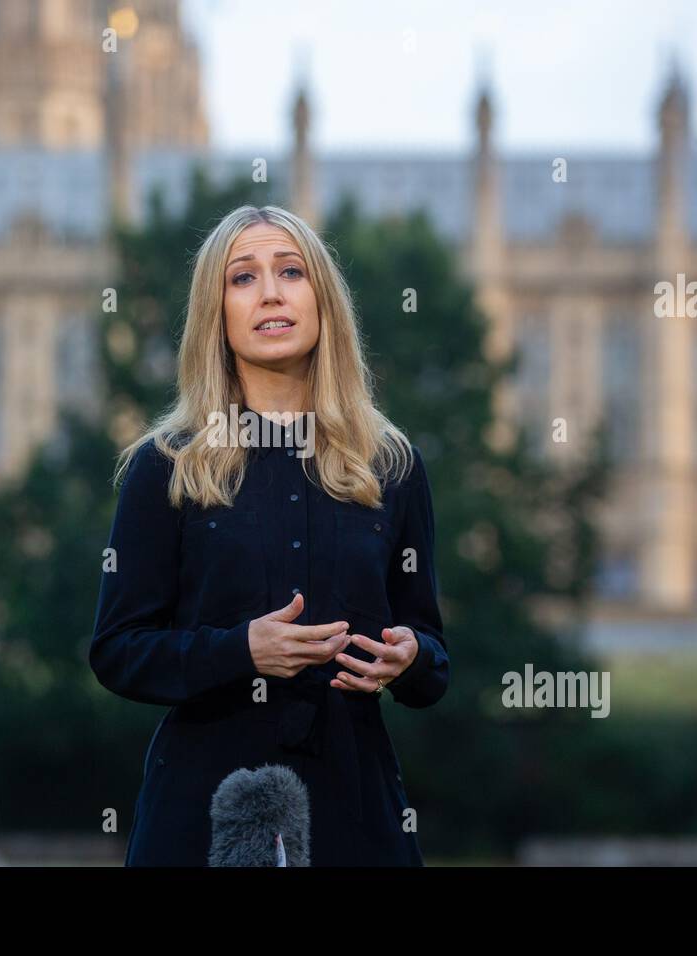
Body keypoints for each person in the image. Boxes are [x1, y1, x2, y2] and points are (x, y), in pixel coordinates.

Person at [89, 203, 449, 866]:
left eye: (290, 271)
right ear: (216, 312)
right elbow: (117, 652)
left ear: (323, 299)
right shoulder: (166, 465)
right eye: (243, 278)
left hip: (355, 812)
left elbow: (433, 665)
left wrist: (412, 656)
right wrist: (241, 651)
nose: (271, 292)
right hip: (202, 815)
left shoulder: (391, 465)